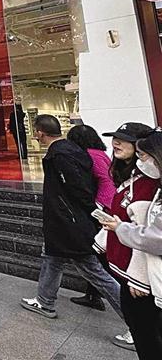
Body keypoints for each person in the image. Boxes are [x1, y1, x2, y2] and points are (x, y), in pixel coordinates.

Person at [20, 115, 125, 333]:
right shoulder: (74, 150)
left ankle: (138, 321)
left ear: (39, 133)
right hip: (66, 221)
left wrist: (91, 211)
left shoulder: (59, 154)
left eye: (35, 132)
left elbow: (77, 188)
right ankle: (45, 301)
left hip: (68, 222)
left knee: (94, 272)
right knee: (51, 258)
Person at [97, 123, 158, 355]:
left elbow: (149, 237)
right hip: (123, 267)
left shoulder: (150, 183)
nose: (116, 143)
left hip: (139, 278)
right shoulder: (129, 176)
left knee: (148, 337)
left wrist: (139, 278)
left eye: (123, 139)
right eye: (115, 138)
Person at [66, 124, 116, 311]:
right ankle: (93, 294)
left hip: (103, 209)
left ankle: (101, 294)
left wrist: (98, 206)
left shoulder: (91, 155)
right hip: (105, 207)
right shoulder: (100, 153)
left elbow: (106, 180)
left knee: (98, 254)